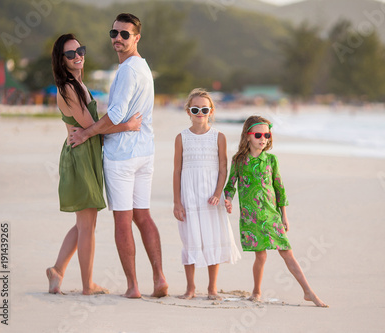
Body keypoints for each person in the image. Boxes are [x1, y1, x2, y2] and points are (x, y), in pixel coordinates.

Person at [68, 13, 168, 298]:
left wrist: (87, 133)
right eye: (114, 33)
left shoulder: (126, 71)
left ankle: (134, 286)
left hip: (122, 155)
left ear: (137, 37)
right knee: (143, 217)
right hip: (145, 151)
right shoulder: (143, 67)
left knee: (123, 221)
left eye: (125, 34)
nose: (118, 39)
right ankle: (159, 278)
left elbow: (115, 114)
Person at [46, 33, 142, 295]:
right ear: (61, 60)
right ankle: (88, 285)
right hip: (79, 157)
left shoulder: (79, 84)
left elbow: (91, 126)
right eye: (70, 54)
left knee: (84, 222)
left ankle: (57, 270)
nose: (78, 56)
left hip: (86, 154)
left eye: (80, 51)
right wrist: (129, 126)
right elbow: (90, 126)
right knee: (87, 224)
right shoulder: (67, 87)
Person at [224, 115, 328, 307]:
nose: (263, 139)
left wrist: (284, 216)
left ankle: (308, 291)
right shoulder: (238, 161)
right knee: (261, 255)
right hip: (252, 216)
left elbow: (279, 189)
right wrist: (228, 199)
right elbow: (230, 185)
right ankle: (256, 291)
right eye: (258, 135)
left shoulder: (271, 160)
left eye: (267, 135)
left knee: (287, 252)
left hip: (272, 215)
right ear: (247, 136)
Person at [173, 88, 240, 300]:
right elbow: (177, 170)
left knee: (212, 238)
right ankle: (190, 288)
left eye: (204, 109)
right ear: (188, 112)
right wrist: (177, 202)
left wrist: (218, 194)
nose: (200, 112)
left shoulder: (219, 137)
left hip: (211, 197)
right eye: (195, 109)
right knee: (190, 239)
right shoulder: (181, 137)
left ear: (211, 111)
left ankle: (212, 289)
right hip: (189, 196)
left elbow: (223, 168)